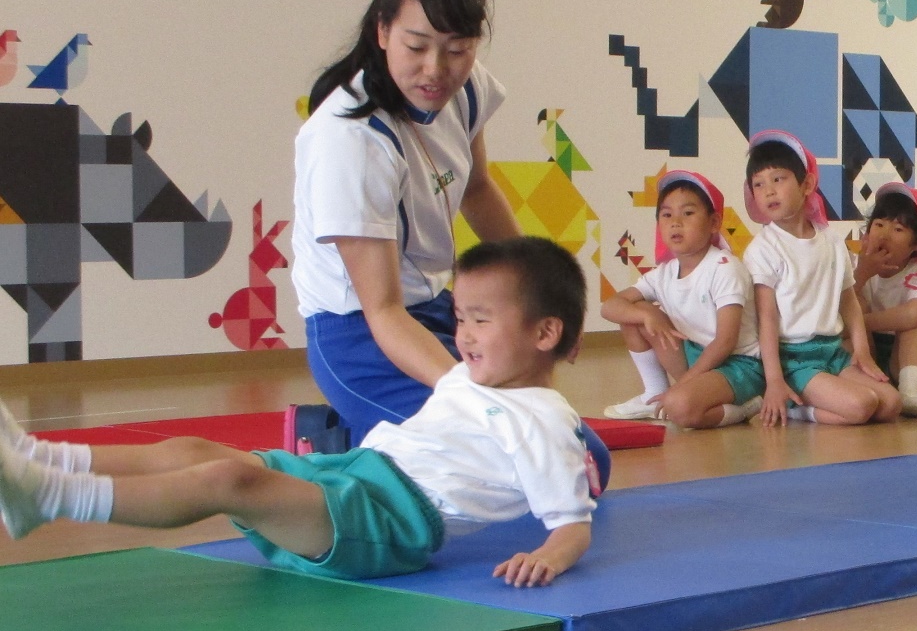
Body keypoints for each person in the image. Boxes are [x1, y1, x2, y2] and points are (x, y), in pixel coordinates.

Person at [0, 239, 596, 586]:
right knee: (195, 450)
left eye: (480, 320)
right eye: (460, 318)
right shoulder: (468, 376)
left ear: (545, 333)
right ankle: (40, 456)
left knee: (226, 481)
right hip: (348, 477)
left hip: (387, 525)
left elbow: (572, 524)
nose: (462, 334)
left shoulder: (545, 421)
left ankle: (46, 497)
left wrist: (545, 558)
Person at [291, 0, 612, 481]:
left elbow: (478, 191)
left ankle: (369, 437)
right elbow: (383, 311)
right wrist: (475, 400)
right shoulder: (348, 141)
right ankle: (335, 442)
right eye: (416, 47)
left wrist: (541, 298)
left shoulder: (463, 92)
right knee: (512, 465)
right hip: (358, 336)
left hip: (439, 311)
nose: (436, 70)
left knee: (578, 462)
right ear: (382, 31)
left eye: (457, 50)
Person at [743, 131, 901, 427]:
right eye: (758, 184)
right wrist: (774, 380)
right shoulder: (763, 249)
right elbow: (767, 319)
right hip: (793, 360)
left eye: (778, 179)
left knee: (891, 403)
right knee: (862, 405)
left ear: (807, 184)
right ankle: (794, 408)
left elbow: (849, 302)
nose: (768, 191)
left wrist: (862, 352)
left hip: (832, 352)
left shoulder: (830, 240)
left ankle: (811, 403)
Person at [599, 170, 763, 430]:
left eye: (687, 213)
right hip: (698, 356)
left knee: (680, 409)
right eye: (666, 215)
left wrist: (683, 384)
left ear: (713, 222)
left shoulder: (724, 268)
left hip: (740, 365)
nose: (675, 222)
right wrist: (647, 314)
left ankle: (745, 407)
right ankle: (653, 393)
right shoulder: (664, 273)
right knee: (634, 312)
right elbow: (609, 307)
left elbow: (725, 342)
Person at [854, 182, 917, 416]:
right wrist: (862, 274)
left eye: (898, 229)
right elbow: (838, 308)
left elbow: (916, 312)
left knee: (912, 323)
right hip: (867, 351)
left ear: (916, 244)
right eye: (879, 224)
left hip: (909, 358)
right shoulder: (855, 266)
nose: (884, 234)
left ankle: (909, 393)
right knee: (854, 301)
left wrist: (861, 323)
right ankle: (866, 384)